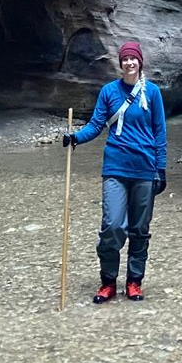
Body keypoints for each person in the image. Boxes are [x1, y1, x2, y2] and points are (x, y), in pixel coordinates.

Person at [63, 39, 167, 303]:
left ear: (140, 62)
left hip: (145, 169)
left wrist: (161, 168)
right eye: (125, 59)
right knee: (112, 226)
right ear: (120, 63)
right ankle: (108, 281)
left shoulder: (152, 93)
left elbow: (160, 132)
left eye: (133, 58)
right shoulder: (109, 92)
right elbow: (96, 124)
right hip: (115, 168)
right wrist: (76, 138)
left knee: (139, 229)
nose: (129, 63)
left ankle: (134, 281)